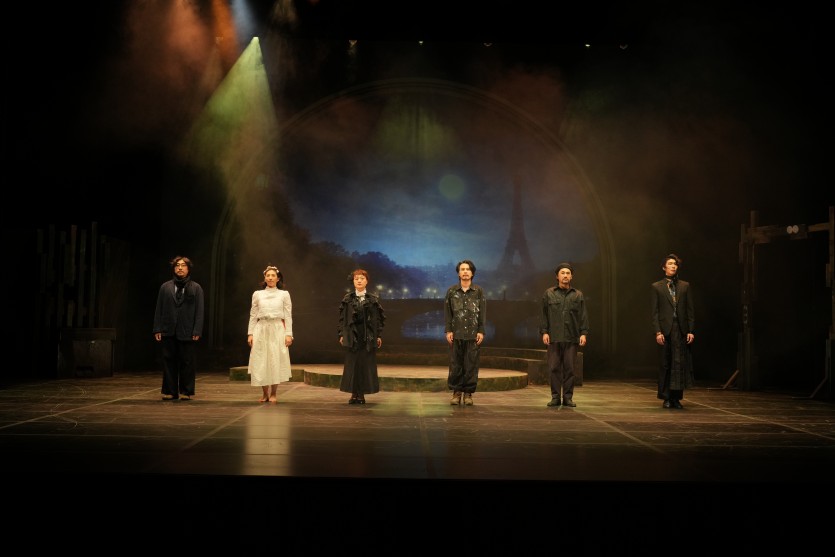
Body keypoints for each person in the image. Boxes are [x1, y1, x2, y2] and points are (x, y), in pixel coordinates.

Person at [153, 256, 205, 401]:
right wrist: (157, 328)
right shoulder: (165, 287)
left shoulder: (196, 287)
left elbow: (200, 311)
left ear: (188, 268)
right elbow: (159, 308)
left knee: (187, 362)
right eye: (177, 265)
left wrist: (197, 330)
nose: (180, 268)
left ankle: (186, 391)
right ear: (174, 268)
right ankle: (170, 391)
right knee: (169, 361)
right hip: (168, 329)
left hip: (187, 330)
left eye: (183, 265)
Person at [539, 262, 589, 408]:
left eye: (568, 273)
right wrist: (544, 332)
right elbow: (543, 315)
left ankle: (568, 397)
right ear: (557, 276)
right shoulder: (549, 293)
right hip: (554, 337)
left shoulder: (578, 295)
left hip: (571, 337)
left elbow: (583, 316)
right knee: (554, 368)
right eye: (562, 273)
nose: (565, 275)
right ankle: (555, 397)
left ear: (571, 276)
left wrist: (583, 333)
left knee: (570, 369)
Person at [651, 253, 695, 409]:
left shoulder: (684, 286)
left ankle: (677, 398)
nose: (673, 266)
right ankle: (666, 397)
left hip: (680, 329)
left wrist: (690, 330)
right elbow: (655, 312)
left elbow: (690, 310)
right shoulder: (657, 287)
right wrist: (658, 332)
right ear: (664, 267)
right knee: (666, 364)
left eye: (675, 264)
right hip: (666, 329)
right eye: (670, 263)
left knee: (679, 363)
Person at [337, 269, 385, 404]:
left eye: (362, 278)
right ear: (353, 281)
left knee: (364, 365)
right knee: (352, 364)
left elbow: (377, 319)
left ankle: (361, 394)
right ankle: (353, 394)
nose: (359, 281)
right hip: (352, 335)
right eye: (356, 278)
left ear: (367, 281)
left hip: (367, 336)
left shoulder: (372, 299)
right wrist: (342, 334)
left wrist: (378, 335)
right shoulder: (347, 299)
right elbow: (342, 318)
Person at [247, 265, 294, 403]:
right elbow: (253, 315)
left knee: (275, 359)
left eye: (273, 275)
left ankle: (273, 393)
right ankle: (264, 393)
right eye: (268, 275)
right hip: (261, 328)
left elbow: (288, 315)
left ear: (278, 278)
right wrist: (250, 333)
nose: (270, 278)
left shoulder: (284, 294)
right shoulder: (257, 294)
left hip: (277, 328)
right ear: (265, 278)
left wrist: (289, 334)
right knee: (261, 360)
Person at [444, 260, 486, 406]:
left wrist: (481, 330)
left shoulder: (478, 291)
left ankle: (468, 393)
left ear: (472, 273)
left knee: (471, 364)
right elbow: (448, 312)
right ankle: (456, 392)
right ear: (458, 273)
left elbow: (482, 313)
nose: (465, 272)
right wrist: (449, 330)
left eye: (468, 269)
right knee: (456, 364)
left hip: (473, 334)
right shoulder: (451, 291)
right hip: (456, 333)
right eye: (462, 269)